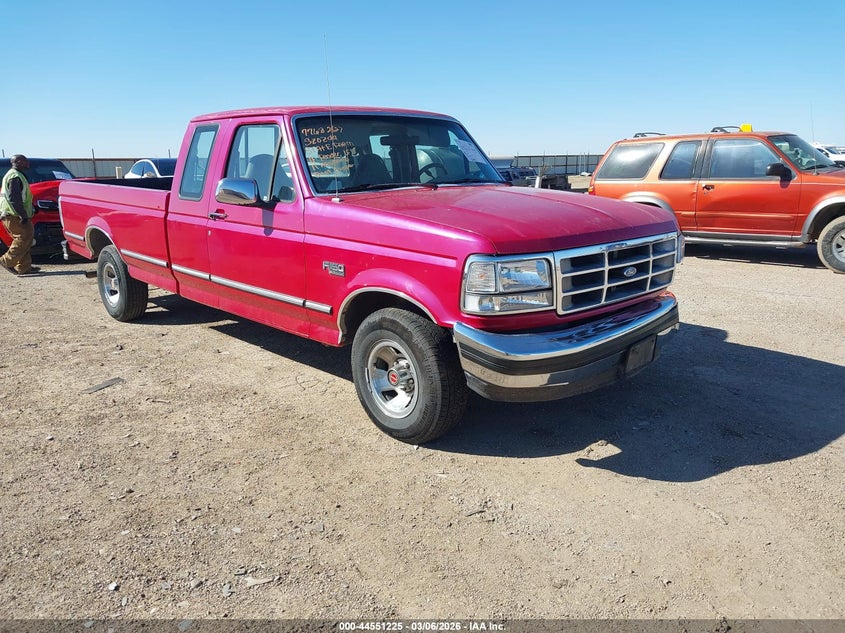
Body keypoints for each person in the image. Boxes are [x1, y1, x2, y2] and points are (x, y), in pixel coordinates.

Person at [0, 154, 39, 275]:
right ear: (18, 162)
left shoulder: (17, 175)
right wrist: (22, 215)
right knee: (23, 238)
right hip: (13, 215)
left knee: (26, 238)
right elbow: (14, 198)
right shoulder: (14, 176)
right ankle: (6, 261)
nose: (27, 163)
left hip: (13, 214)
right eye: (25, 161)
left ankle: (23, 268)